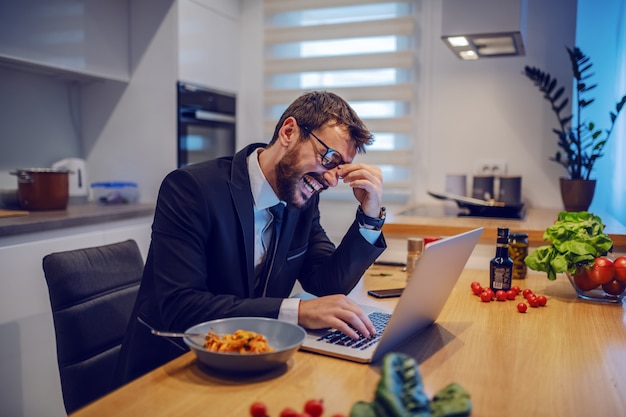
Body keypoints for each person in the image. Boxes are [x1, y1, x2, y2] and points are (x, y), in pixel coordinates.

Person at [116, 91, 387, 384]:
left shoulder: (302, 200)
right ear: (289, 132)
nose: (332, 180)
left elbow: (327, 284)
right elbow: (183, 309)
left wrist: (370, 216)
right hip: (173, 368)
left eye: (340, 168)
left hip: (251, 360)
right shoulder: (191, 189)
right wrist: (297, 311)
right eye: (329, 158)